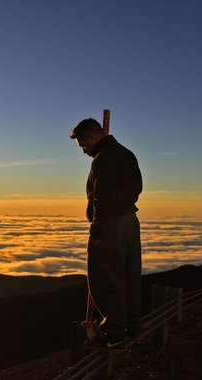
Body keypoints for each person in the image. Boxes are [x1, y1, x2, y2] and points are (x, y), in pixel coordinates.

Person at [70, 118, 143, 349]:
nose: (84, 151)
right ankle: (132, 325)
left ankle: (114, 332)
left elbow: (102, 197)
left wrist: (98, 227)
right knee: (128, 275)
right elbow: (137, 187)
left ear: (92, 137)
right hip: (131, 223)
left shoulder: (102, 161)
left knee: (105, 278)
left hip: (110, 227)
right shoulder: (127, 154)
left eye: (83, 145)